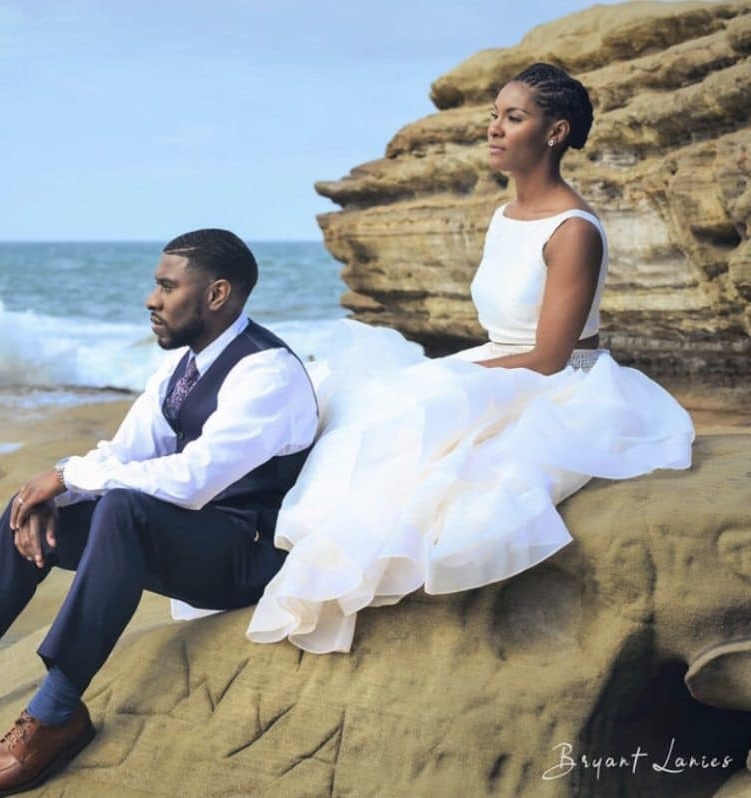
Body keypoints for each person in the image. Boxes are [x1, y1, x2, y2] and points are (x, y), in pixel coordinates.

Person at [0, 229, 318, 797]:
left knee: (122, 507)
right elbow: (124, 453)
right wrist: (58, 492)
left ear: (217, 295)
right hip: (189, 540)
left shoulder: (266, 374)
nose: (152, 299)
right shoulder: (181, 370)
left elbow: (195, 480)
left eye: (168, 287)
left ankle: (55, 714)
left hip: (243, 558)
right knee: (31, 501)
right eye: (155, 285)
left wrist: (72, 476)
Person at [245, 63, 696, 653]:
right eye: (494, 116)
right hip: (506, 362)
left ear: (555, 132)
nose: (495, 130)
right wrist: (456, 370)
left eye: (513, 118)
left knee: (424, 412)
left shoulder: (573, 230)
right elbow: (504, 338)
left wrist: (454, 373)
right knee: (356, 393)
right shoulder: (503, 216)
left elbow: (551, 356)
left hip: (567, 377)